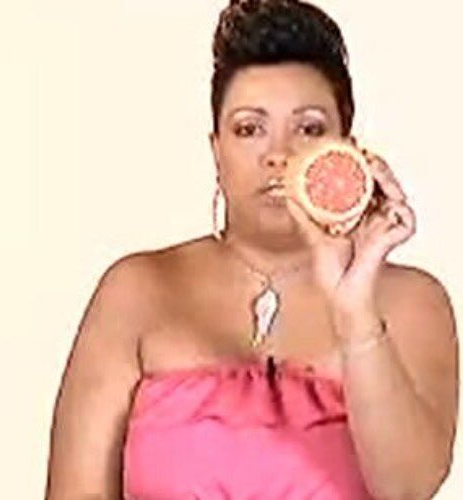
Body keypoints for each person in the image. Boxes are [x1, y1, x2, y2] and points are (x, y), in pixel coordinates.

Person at [45, 1, 459, 499]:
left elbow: (407, 487)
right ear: (216, 150)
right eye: (248, 129)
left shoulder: (412, 301)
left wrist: (354, 310)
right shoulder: (136, 291)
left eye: (309, 129)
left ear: (347, 150)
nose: (278, 155)